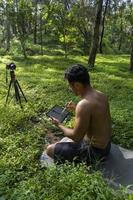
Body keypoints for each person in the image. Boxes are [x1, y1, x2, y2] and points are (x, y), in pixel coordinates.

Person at [46, 64, 112, 165]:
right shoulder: (101, 95)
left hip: (95, 153)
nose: (69, 88)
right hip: (107, 146)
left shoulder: (84, 105)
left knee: (50, 149)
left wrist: (58, 124)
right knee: (70, 140)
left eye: (69, 85)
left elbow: (76, 137)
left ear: (77, 85)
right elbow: (95, 114)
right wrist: (76, 107)